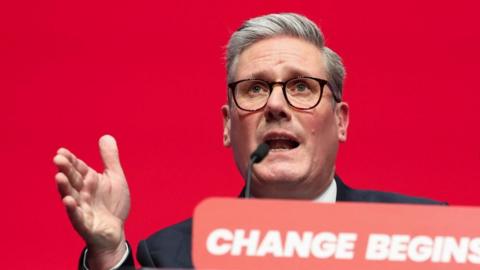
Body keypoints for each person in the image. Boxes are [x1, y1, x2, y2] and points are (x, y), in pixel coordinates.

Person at [53, 13, 444, 269]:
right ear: (227, 126)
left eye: (302, 87)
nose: (275, 104)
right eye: (255, 89)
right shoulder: (173, 255)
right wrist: (107, 252)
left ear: (340, 121)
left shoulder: (422, 237)